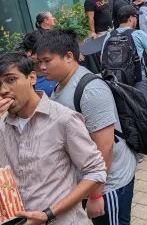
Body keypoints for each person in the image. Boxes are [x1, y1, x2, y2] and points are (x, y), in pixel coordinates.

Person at [35, 30, 139, 225]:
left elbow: (105, 146)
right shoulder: (60, 85)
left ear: (68, 57)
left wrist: (96, 195)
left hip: (109, 185)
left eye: (47, 61)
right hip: (88, 181)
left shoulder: (90, 90)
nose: (41, 67)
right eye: (38, 61)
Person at [0, 52, 107, 225]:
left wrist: (49, 214)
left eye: (11, 80)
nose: (3, 90)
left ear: (32, 78)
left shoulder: (64, 119)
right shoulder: (3, 122)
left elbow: (96, 171)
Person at [102, 5, 147, 145]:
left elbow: (102, 59)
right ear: (131, 18)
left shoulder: (109, 35)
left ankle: (134, 145)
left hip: (117, 81)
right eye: (136, 16)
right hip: (139, 79)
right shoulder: (137, 34)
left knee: (127, 113)